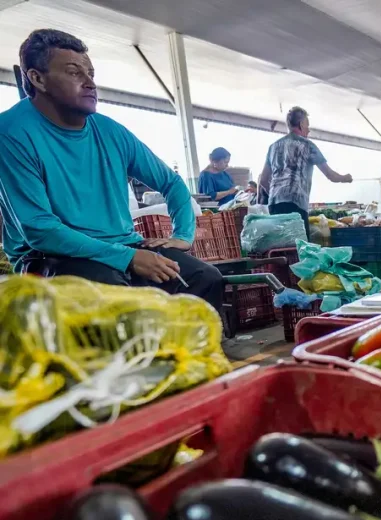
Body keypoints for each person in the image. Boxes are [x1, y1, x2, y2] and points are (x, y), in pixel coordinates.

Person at [0, 29, 224, 313]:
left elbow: (172, 183)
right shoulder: (11, 132)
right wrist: (129, 258)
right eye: (74, 73)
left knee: (204, 279)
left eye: (90, 73)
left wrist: (183, 235)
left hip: (122, 245)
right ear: (37, 78)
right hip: (50, 257)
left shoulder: (110, 131)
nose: (90, 83)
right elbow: (40, 230)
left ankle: (183, 357)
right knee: (117, 301)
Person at [259, 106, 351, 239]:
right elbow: (330, 175)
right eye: (307, 125)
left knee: (281, 245)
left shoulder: (273, 147)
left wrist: (277, 194)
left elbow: (263, 180)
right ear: (301, 124)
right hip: (295, 203)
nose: (308, 129)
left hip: (274, 204)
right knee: (300, 246)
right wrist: (345, 178)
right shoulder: (308, 145)